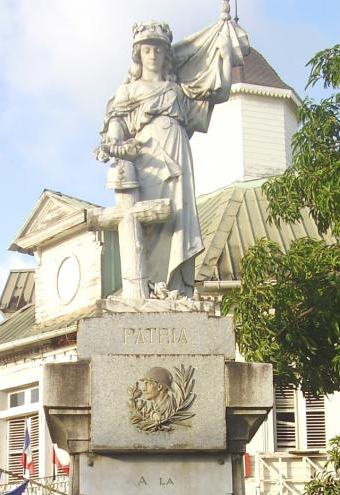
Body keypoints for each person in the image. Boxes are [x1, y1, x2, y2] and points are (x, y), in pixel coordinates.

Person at [96, 7, 248, 299]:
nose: (152, 55)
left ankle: (175, 286)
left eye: (158, 50)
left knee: (177, 218)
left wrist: (221, 47)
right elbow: (117, 123)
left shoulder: (176, 89)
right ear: (138, 55)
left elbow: (210, 93)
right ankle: (151, 284)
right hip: (149, 158)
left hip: (178, 154)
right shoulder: (128, 91)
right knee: (152, 221)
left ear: (166, 55)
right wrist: (115, 142)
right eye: (147, 50)